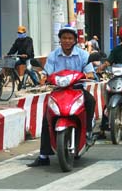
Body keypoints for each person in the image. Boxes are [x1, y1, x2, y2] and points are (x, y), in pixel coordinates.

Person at [28, 26, 97, 167]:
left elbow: (89, 71)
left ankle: (88, 131)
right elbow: (46, 72)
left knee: (90, 100)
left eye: (70, 38)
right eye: (64, 38)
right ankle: (43, 156)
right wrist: (43, 77)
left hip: (77, 90)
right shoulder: (53, 55)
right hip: (58, 91)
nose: (67, 41)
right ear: (60, 40)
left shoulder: (83, 55)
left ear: (75, 41)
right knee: (47, 117)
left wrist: (88, 75)